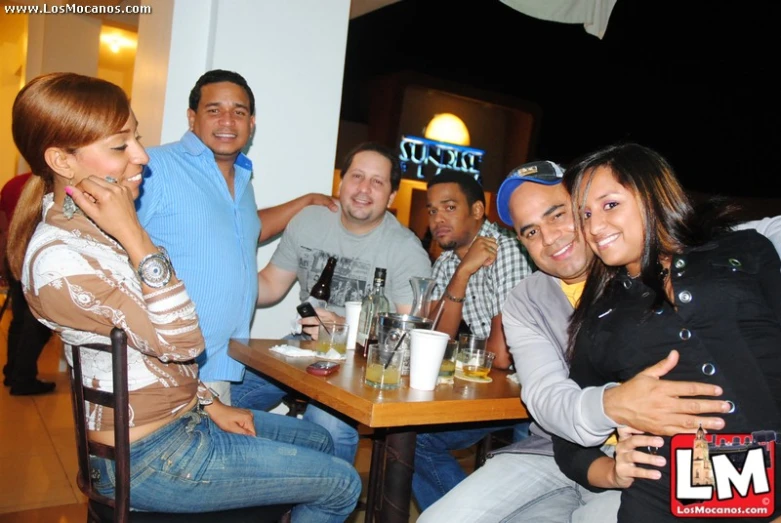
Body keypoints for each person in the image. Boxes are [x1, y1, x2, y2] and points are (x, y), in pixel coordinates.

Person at [7, 72, 360, 521]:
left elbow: (160, 355)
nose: (140, 156)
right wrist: (135, 233)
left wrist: (210, 406)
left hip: (181, 416)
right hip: (151, 455)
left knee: (319, 440)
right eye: (121, 146)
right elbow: (182, 344)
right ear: (61, 160)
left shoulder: (95, 232)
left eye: (134, 139)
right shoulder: (63, 258)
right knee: (342, 481)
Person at [420, 159, 781, 522]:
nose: (549, 238)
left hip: (655, 461)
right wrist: (614, 404)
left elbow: (736, 233)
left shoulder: (647, 259)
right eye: (530, 232)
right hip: (554, 452)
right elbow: (545, 397)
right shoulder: (526, 300)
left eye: (558, 214)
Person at [553, 143, 781, 522]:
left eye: (610, 205)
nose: (594, 227)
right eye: (585, 214)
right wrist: (611, 471)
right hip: (664, 499)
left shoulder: (742, 250)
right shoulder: (602, 313)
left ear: (653, 194)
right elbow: (567, 436)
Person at [137, 69, 338, 408]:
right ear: (192, 117)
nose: (227, 121)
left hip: (221, 363)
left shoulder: (242, 179)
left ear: (251, 123)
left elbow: (246, 228)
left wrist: (304, 202)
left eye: (239, 112)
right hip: (168, 366)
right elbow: (111, 242)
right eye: (214, 110)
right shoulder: (156, 166)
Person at [255, 141, 433, 462]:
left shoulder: (406, 249)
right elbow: (270, 284)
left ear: (391, 196)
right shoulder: (310, 221)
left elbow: (411, 336)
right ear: (341, 180)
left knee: (328, 429)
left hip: (360, 363)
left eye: (377, 182)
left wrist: (348, 330)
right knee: (219, 396)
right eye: (357, 176)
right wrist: (223, 279)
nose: (364, 188)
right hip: (301, 348)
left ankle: (326, 495)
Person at [411, 171, 533, 510]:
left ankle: (476, 515)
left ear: (478, 210)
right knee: (408, 440)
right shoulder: (448, 260)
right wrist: (462, 273)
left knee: (414, 442)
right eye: (432, 210)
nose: (438, 219)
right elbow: (434, 341)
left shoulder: (505, 250)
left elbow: (503, 355)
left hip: (532, 394)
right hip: (492, 387)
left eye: (449, 207)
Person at [1, 172, 54, 395]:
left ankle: (12, 372)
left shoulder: (12, 184)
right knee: (39, 323)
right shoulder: (49, 185)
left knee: (20, 319)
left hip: (14, 254)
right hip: (36, 260)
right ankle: (23, 378)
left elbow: (3, 228)